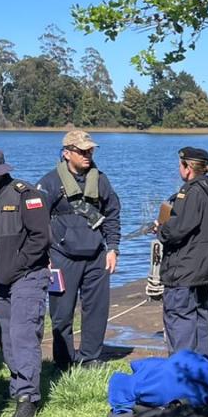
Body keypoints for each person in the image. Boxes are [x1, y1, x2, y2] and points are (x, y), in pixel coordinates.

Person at [0, 146, 50, 417]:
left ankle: (28, 398)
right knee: (7, 338)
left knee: (23, 335)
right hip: (1, 282)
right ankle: (17, 389)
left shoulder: (25, 194)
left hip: (28, 276)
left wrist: (17, 266)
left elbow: (40, 238)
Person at [37, 130, 122, 370]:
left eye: (90, 150)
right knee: (62, 312)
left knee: (97, 310)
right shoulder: (49, 182)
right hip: (61, 257)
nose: (87, 155)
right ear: (66, 153)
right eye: (82, 151)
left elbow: (112, 215)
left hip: (96, 256)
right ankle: (63, 360)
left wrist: (113, 248)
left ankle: (90, 357)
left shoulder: (101, 180)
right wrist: (43, 256)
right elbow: (37, 222)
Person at [156, 148, 208, 357]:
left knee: (179, 316)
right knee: (200, 314)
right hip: (203, 267)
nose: (179, 169)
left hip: (184, 267)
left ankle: (182, 367)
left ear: (188, 168)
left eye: (180, 165)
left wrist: (161, 229)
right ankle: (202, 365)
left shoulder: (191, 192)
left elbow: (177, 230)